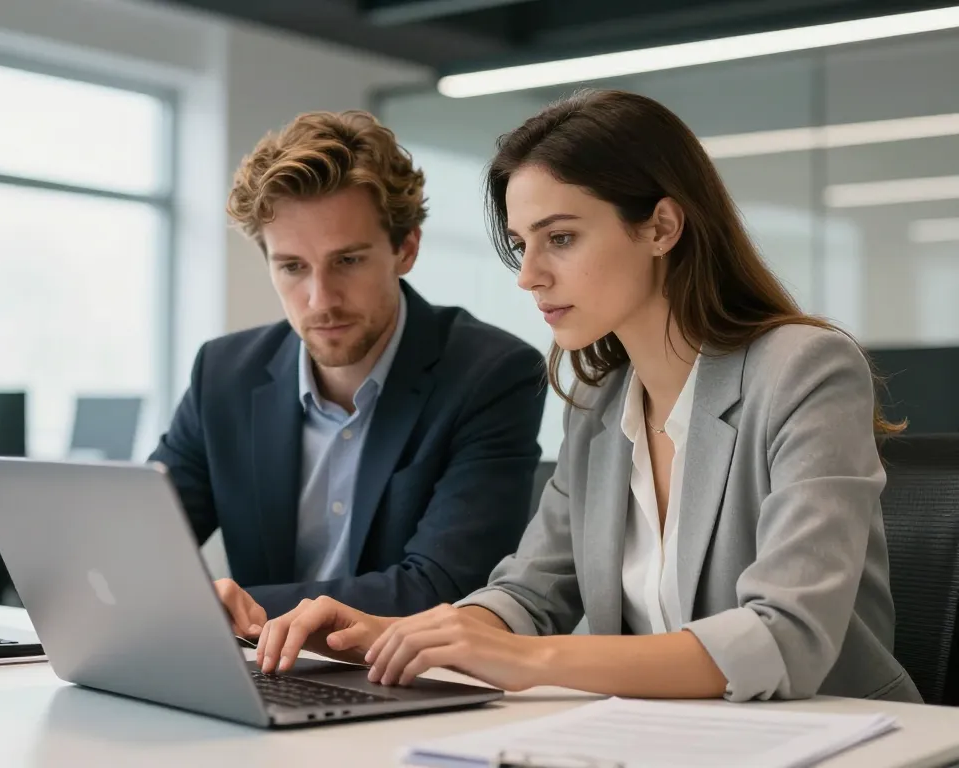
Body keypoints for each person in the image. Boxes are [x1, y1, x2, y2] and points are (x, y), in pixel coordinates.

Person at [252, 90, 923, 705]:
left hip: (840, 742)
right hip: (668, 740)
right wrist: (390, 633)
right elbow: (527, 592)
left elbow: (785, 635)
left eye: (562, 238)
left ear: (661, 227)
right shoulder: (603, 403)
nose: (530, 275)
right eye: (521, 244)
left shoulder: (806, 372)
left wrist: (531, 659)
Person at [149, 110, 547, 635]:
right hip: (260, 677)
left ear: (405, 249)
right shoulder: (223, 375)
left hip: (413, 682)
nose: (321, 299)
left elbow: (443, 586)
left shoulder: (492, 374)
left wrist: (234, 608)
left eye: (349, 261)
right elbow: (142, 550)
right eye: (292, 266)